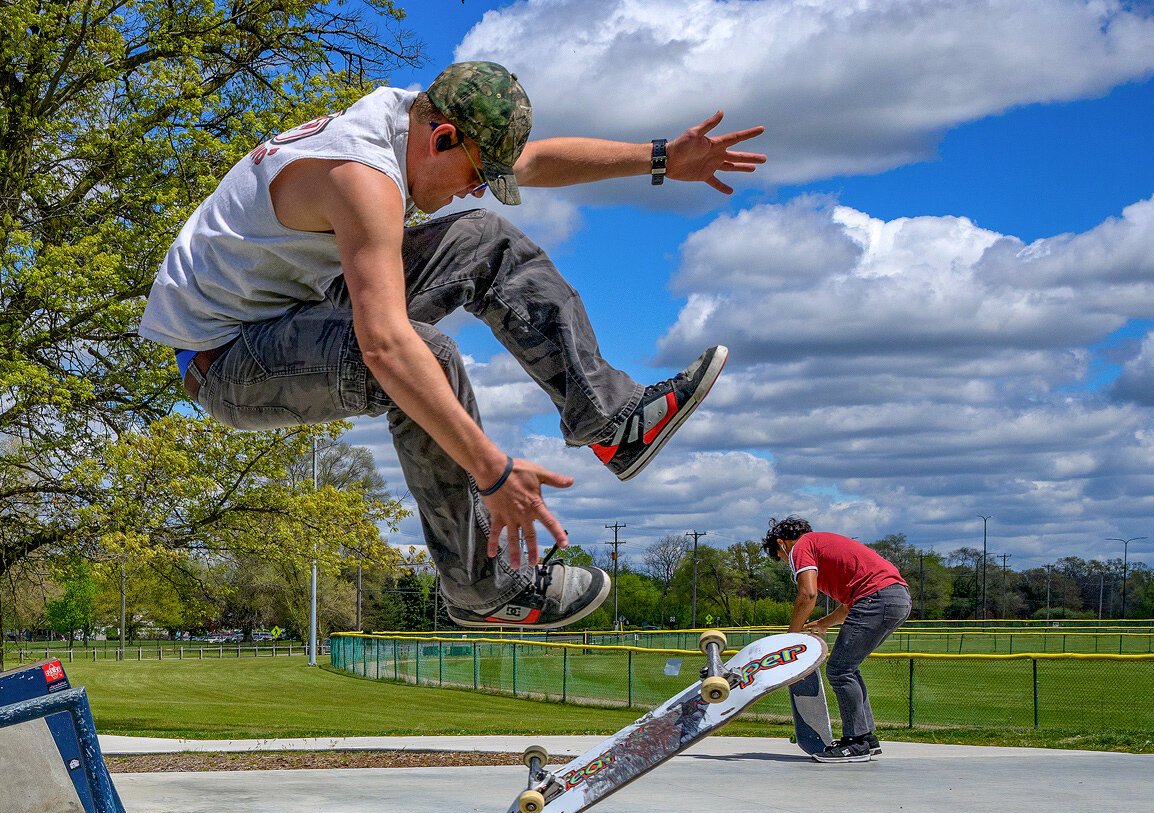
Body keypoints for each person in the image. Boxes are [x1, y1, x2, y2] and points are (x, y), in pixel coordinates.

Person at [139, 61, 765, 629]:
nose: (474, 187)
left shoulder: (420, 119)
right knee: (419, 357)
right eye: (473, 175)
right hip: (227, 360)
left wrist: (660, 158)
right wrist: (493, 473)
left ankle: (612, 421)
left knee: (486, 237)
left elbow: (533, 162)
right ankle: (483, 589)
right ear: (440, 139)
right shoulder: (362, 175)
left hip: (294, 309)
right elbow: (383, 347)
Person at [763, 516, 912, 763]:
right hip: (896, 598)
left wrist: (790, 638)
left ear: (781, 544)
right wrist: (823, 623)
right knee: (847, 669)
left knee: (840, 670)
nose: (787, 564)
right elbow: (846, 606)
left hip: (877, 599)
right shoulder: (824, 545)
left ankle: (857, 742)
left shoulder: (801, 546)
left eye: (780, 558)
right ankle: (866, 738)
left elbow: (807, 594)